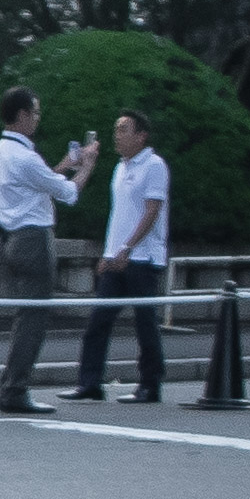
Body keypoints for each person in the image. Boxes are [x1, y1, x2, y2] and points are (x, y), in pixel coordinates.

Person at [0, 85, 98, 414]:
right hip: (34, 239)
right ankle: (15, 389)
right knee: (33, 318)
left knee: (26, 315)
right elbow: (67, 193)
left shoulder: (0, 151)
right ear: (22, 115)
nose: (37, 119)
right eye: (35, 112)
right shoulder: (24, 156)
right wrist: (87, 165)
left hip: (12, 238)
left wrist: (64, 165)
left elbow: (39, 183)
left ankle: (12, 385)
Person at [62, 109, 170, 404]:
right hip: (116, 257)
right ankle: (90, 382)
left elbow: (151, 211)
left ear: (141, 135)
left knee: (145, 323)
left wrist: (128, 248)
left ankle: (150, 383)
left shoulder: (154, 165)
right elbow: (119, 216)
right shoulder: (120, 167)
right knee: (98, 321)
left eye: (123, 130)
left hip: (142, 258)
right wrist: (108, 252)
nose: (117, 136)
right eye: (116, 129)